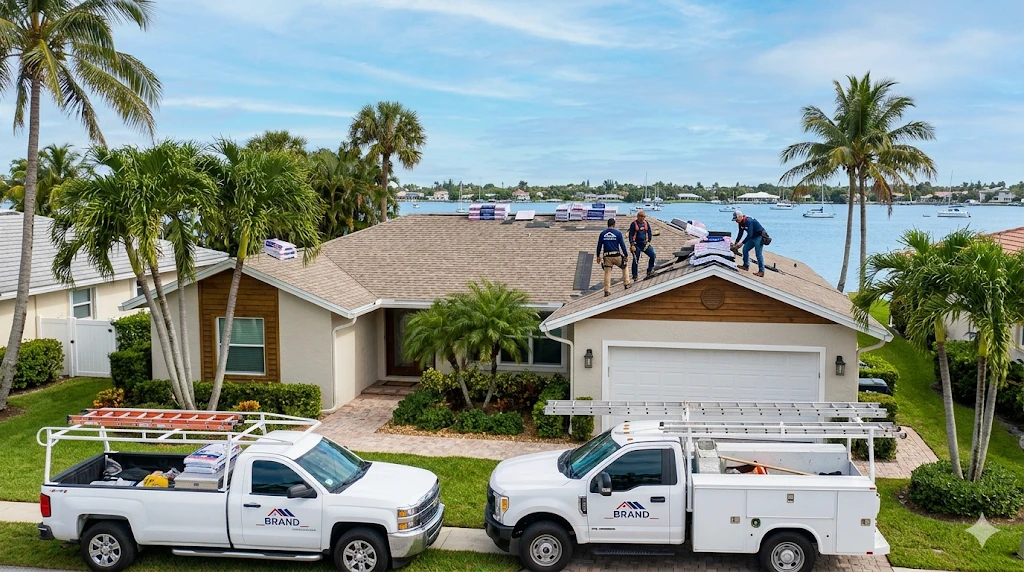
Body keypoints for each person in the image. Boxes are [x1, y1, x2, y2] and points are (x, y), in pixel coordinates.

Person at [596, 218, 631, 296]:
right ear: (614, 225)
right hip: (616, 255)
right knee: (624, 267)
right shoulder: (618, 233)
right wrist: (626, 255)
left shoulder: (602, 234)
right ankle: (626, 283)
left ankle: (607, 291)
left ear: (607, 224)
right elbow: (622, 245)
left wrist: (598, 256)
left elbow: (599, 246)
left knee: (607, 273)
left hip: (607, 257)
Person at [732, 210, 766, 277]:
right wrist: (736, 242)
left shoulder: (748, 221)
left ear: (740, 216)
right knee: (745, 250)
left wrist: (742, 243)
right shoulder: (740, 222)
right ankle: (746, 265)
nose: (736, 221)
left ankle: (761, 271)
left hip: (759, 237)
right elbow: (740, 233)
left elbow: (749, 234)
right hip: (752, 237)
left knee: (758, 254)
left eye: (736, 219)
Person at [628, 210, 656, 281]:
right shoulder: (633, 224)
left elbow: (649, 233)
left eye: (643, 216)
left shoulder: (646, 223)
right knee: (635, 260)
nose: (642, 218)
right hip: (636, 245)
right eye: (641, 216)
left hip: (644, 244)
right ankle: (635, 275)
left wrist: (649, 241)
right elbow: (630, 235)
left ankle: (649, 270)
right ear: (637, 216)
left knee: (653, 255)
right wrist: (632, 244)